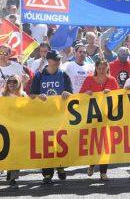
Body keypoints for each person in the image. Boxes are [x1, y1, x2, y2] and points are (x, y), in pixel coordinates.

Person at [30, 50, 72, 183]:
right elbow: (32, 95)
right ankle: (47, 172)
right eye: (55, 59)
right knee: (46, 143)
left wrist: (67, 93)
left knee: (60, 142)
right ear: (49, 60)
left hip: (60, 114)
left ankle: (60, 167)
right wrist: (39, 96)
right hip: (44, 115)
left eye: (59, 59)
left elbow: (71, 93)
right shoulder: (39, 76)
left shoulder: (64, 75)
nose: (58, 61)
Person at [80, 59, 119, 181]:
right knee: (94, 144)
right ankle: (92, 164)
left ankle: (103, 172)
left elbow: (118, 97)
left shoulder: (112, 80)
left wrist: (111, 93)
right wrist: (87, 94)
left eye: (104, 68)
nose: (102, 71)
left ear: (107, 68)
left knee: (105, 144)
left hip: (107, 117)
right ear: (96, 69)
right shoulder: (89, 79)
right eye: (99, 68)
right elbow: (80, 96)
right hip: (92, 117)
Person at [0, 74, 28, 189]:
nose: (11, 84)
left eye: (14, 82)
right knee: (7, 152)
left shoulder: (23, 95)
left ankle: (13, 178)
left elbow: (29, 109)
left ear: (19, 83)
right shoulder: (2, 95)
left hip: (18, 129)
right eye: (9, 82)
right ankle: (9, 171)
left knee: (16, 153)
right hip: (5, 128)